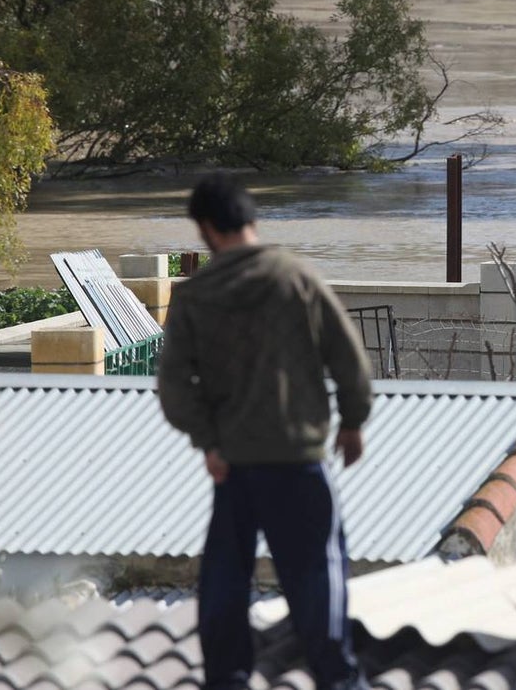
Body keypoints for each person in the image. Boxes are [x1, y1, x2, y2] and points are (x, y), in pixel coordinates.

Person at [158, 172, 374, 690]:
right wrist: (352, 422)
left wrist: (208, 441)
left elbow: (173, 389)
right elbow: (350, 361)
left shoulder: (195, 296)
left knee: (225, 583)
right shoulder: (296, 277)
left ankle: (228, 679)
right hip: (299, 461)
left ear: (206, 229)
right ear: (252, 219)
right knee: (318, 580)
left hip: (234, 464)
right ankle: (336, 680)